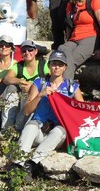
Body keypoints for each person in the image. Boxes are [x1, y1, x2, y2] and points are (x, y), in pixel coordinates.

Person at [13, 50, 84, 180]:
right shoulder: (39, 83)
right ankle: (18, 164)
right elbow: (27, 111)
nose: (56, 67)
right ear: (49, 65)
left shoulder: (72, 87)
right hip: (38, 130)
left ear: (65, 67)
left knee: (60, 130)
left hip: (57, 135)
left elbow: (82, 110)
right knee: (31, 126)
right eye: (54, 64)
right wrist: (40, 95)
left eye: (60, 64)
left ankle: (32, 164)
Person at [58, 0, 100, 81]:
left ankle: (65, 89)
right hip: (74, 38)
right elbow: (69, 25)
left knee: (71, 61)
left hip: (91, 37)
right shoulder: (71, 4)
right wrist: (67, 41)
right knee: (61, 49)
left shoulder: (94, 2)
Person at [1, 40, 50, 132]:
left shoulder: (44, 64)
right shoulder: (19, 66)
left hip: (38, 96)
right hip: (23, 94)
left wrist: (32, 86)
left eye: (30, 50)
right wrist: (21, 81)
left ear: (35, 51)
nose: (27, 53)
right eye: (24, 51)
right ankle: (6, 128)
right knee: (11, 88)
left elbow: (50, 79)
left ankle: (20, 128)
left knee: (29, 93)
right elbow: (7, 79)